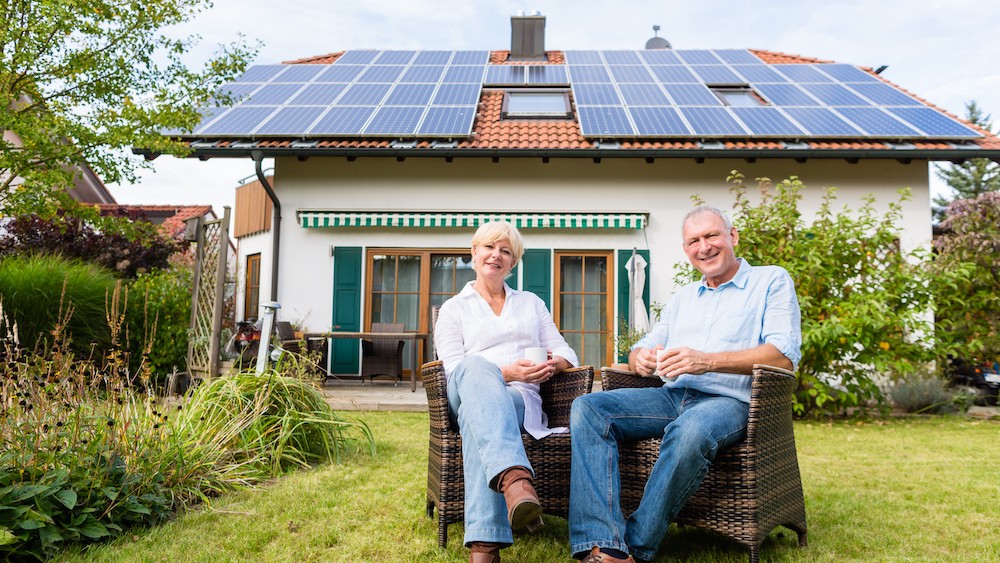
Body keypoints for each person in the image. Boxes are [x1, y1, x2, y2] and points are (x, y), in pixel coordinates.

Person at [568, 206, 802, 563]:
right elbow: (642, 347)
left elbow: (783, 356)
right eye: (694, 241)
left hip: (731, 401)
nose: (704, 247)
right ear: (686, 249)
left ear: (733, 236)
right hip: (671, 395)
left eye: (711, 236)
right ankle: (601, 539)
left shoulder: (770, 280)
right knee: (589, 408)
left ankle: (633, 547)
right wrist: (641, 359)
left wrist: (707, 361)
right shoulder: (683, 297)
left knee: (690, 430)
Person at [434, 220, 580, 563]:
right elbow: (453, 369)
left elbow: (567, 352)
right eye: (489, 247)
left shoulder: (531, 303)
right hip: (464, 390)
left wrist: (552, 364)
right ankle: (515, 477)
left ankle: (486, 545)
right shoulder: (454, 308)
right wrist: (507, 372)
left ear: (513, 262)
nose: (496, 255)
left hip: (519, 400)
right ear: (474, 253)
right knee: (474, 367)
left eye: (506, 251)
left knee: (476, 419)